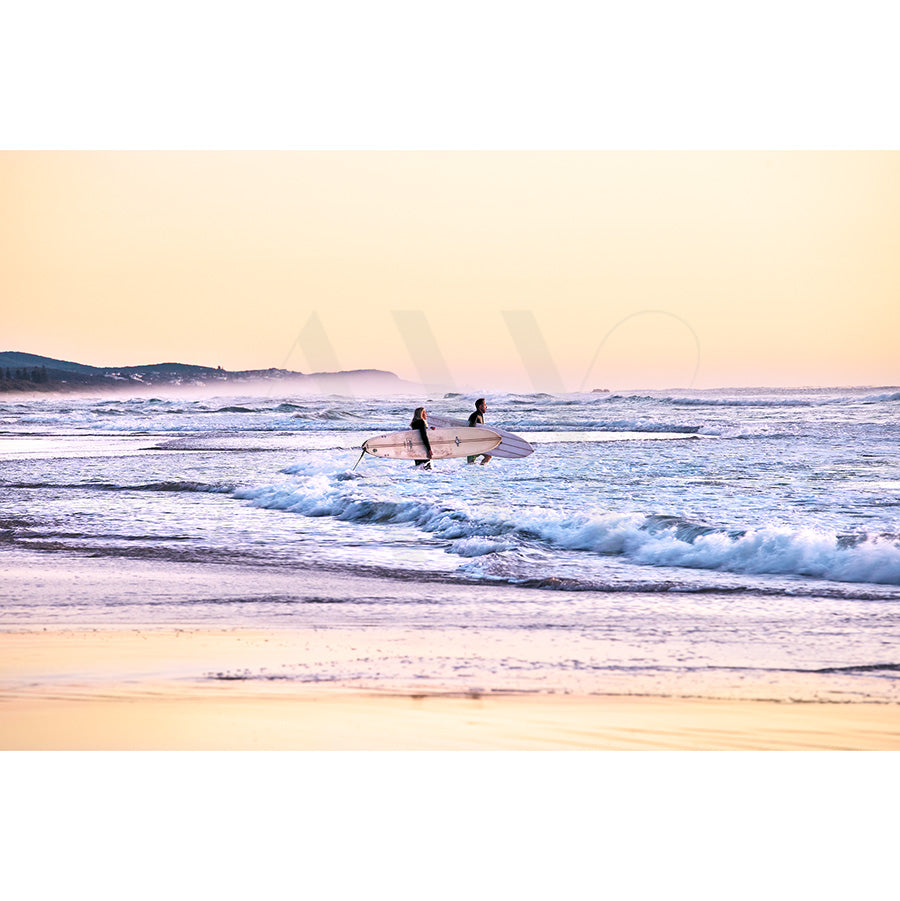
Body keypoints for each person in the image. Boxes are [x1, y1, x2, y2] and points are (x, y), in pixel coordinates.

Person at [466, 398, 492, 465]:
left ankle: (480, 468)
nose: (486, 407)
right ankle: (480, 468)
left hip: (477, 443)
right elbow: (471, 429)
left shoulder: (479, 415)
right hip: (473, 444)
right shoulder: (475, 416)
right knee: (470, 463)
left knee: (488, 456)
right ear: (480, 406)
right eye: (485, 405)